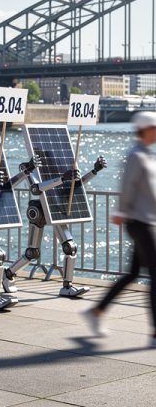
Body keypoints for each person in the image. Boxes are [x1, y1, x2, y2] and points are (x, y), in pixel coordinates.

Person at [84, 111, 156, 346]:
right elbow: (128, 186)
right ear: (145, 130)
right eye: (154, 128)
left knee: (133, 273)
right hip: (138, 222)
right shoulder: (136, 155)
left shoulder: (145, 154)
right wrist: (121, 211)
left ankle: (97, 311)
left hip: (146, 220)